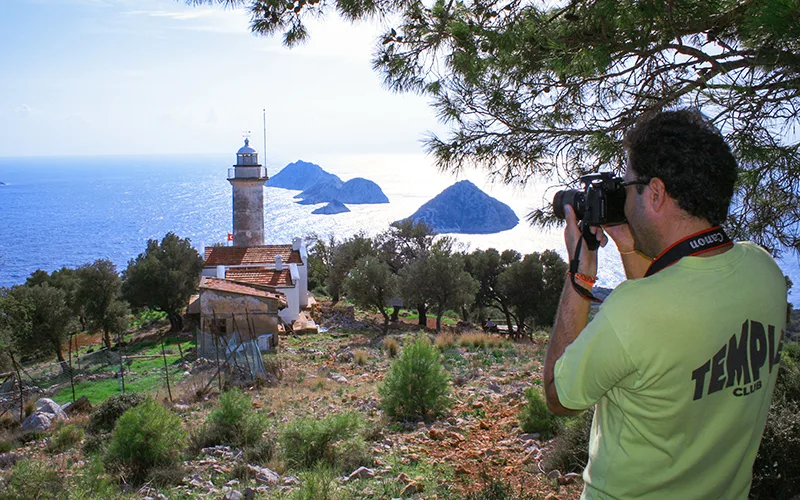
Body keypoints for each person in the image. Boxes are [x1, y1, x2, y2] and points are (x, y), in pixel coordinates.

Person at [543, 109, 788, 499]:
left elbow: (559, 396)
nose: (622, 198)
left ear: (655, 193)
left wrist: (580, 277)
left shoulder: (633, 312)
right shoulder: (766, 273)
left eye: (627, 187)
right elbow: (669, 308)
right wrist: (629, 243)